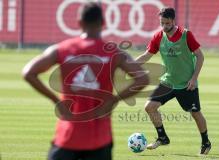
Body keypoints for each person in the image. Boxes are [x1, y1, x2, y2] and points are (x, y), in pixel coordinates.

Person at [22, 3, 149, 160]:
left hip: (68, 137)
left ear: (79, 23)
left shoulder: (62, 49)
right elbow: (143, 78)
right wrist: (114, 99)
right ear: (103, 23)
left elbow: (28, 72)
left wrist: (56, 101)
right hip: (100, 139)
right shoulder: (115, 53)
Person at [135, 7, 211, 155]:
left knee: (196, 114)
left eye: (167, 23)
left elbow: (200, 56)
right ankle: (162, 137)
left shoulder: (186, 35)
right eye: (162, 23)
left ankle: (206, 142)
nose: (164, 26)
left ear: (173, 21)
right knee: (149, 107)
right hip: (168, 82)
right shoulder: (158, 36)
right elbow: (146, 55)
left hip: (186, 84)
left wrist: (194, 78)